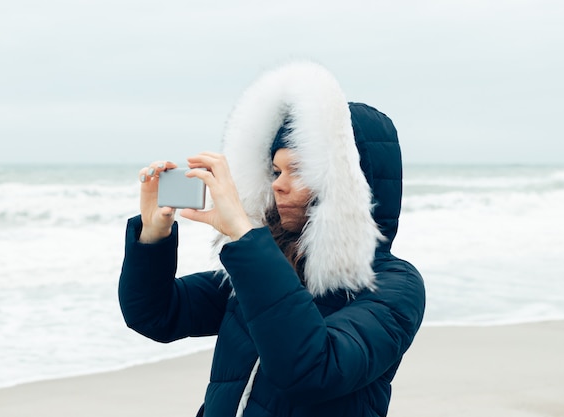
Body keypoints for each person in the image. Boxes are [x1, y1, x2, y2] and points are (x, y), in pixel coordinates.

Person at [118, 61, 425, 417]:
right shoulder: (266, 267)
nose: (277, 184)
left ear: (348, 186)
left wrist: (248, 239)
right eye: (275, 171)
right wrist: (153, 237)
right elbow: (156, 314)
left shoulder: (395, 286)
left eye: (298, 170)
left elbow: (312, 370)